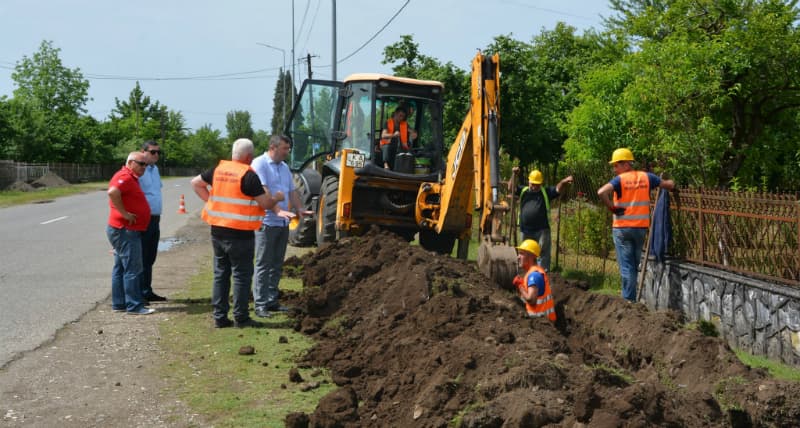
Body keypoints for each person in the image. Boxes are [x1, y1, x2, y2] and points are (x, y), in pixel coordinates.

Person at [191, 138, 284, 328]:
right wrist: (277, 198)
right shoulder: (248, 175)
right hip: (240, 233)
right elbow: (265, 204)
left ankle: (219, 317)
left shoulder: (218, 169)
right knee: (242, 275)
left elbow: (196, 183)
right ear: (249, 157)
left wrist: (211, 203)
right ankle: (241, 318)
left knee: (220, 274)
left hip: (217, 231)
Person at [596, 148, 674, 302]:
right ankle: (630, 298)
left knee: (627, 267)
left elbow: (601, 192)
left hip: (622, 229)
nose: (615, 169)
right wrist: (672, 182)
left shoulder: (619, 180)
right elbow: (668, 185)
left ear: (626, 164)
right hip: (640, 228)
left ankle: (628, 301)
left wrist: (612, 207)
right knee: (633, 265)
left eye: (616, 165)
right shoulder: (647, 177)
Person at [251, 135, 305, 318]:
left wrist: (300, 209)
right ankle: (260, 304)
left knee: (276, 264)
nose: (287, 152)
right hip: (267, 222)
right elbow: (263, 191)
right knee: (263, 264)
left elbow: (292, 191)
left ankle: (272, 301)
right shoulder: (259, 164)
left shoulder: (284, 167)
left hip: (283, 223)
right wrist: (276, 210)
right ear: (273, 147)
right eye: (285, 149)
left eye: (288, 149)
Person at [106, 151, 153, 315]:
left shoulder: (131, 177)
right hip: (125, 230)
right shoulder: (125, 176)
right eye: (141, 164)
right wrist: (125, 213)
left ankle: (119, 303)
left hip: (124, 230)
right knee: (132, 268)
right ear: (131, 162)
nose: (144, 167)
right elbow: (113, 192)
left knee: (120, 267)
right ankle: (134, 305)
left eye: (146, 164)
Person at [510, 167, 572, 272]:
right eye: (532, 184)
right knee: (526, 252)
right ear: (529, 181)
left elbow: (557, 189)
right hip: (525, 229)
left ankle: (543, 274)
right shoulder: (523, 190)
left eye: (537, 184)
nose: (534, 186)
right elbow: (511, 188)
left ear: (541, 183)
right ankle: (527, 274)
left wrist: (563, 181)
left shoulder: (546, 192)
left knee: (542, 253)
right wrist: (514, 175)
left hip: (542, 230)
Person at [138, 140, 167, 303]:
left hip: (155, 218)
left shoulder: (154, 170)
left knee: (150, 256)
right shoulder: (139, 169)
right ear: (143, 152)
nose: (156, 155)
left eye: (158, 152)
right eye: (153, 152)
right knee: (141, 257)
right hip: (143, 218)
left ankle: (147, 290)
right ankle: (138, 293)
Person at [512, 239, 556, 321]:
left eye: (521, 254)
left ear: (531, 256)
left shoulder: (534, 275)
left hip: (541, 324)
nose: (518, 257)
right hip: (539, 322)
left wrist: (520, 286)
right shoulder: (532, 272)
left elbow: (531, 300)